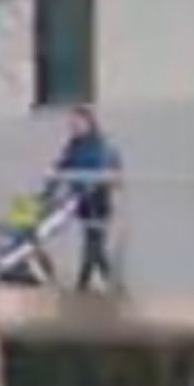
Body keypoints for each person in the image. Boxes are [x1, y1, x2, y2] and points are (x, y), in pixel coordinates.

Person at [48, 104, 122, 291]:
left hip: (97, 201)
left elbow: (106, 167)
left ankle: (85, 285)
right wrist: (48, 190)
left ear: (89, 123)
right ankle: (107, 286)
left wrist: (91, 186)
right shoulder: (73, 146)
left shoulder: (100, 145)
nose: (74, 126)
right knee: (93, 245)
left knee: (93, 245)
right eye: (72, 123)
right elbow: (62, 166)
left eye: (78, 122)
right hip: (83, 201)